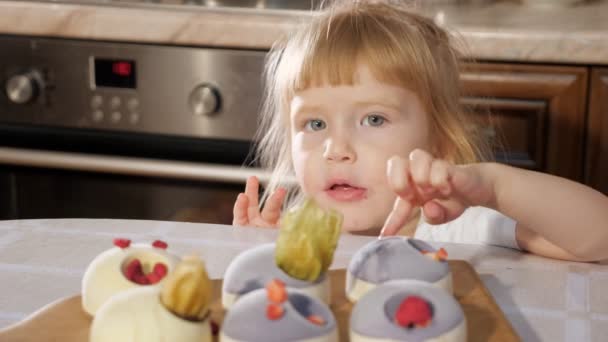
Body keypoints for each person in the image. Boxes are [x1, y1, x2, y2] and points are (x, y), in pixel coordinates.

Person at [232, 0, 608, 262]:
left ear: (439, 140)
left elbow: (600, 241)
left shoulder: (458, 227)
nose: (336, 149)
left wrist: (496, 187)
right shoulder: (292, 228)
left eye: (374, 119)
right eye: (315, 124)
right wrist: (257, 251)